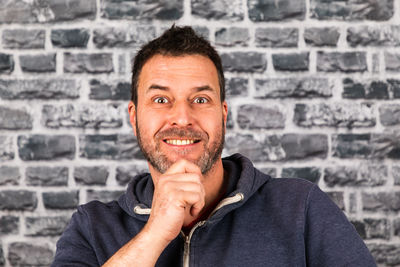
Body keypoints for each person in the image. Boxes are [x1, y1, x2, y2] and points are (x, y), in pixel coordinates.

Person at [52, 25, 376, 267]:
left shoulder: (301, 209)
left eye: (201, 99)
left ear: (223, 113)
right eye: (161, 99)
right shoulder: (91, 227)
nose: (182, 117)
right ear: (134, 117)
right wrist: (155, 233)